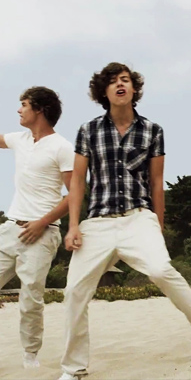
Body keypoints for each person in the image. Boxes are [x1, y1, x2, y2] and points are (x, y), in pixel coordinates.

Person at [58, 62, 191, 380]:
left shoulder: (153, 130)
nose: (120, 85)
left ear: (134, 88)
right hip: (97, 222)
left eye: (125, 80)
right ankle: (73, 368)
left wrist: (158, 225)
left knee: (161, 270)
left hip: (138, 217)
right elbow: (78, 181)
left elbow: (157, 183)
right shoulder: (88, 130)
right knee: (74, 292)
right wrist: (73, 226)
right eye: (112, 81)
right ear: (104, 92)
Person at [0, 86, 73, 368]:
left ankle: (30, 355)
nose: (19, 110)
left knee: (30, 298)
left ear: (40, 109)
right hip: (10, 228)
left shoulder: (62, 147)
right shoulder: (20, 139)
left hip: (43, 233)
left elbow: (76, 194)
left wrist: (42, 222)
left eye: (24, 104)